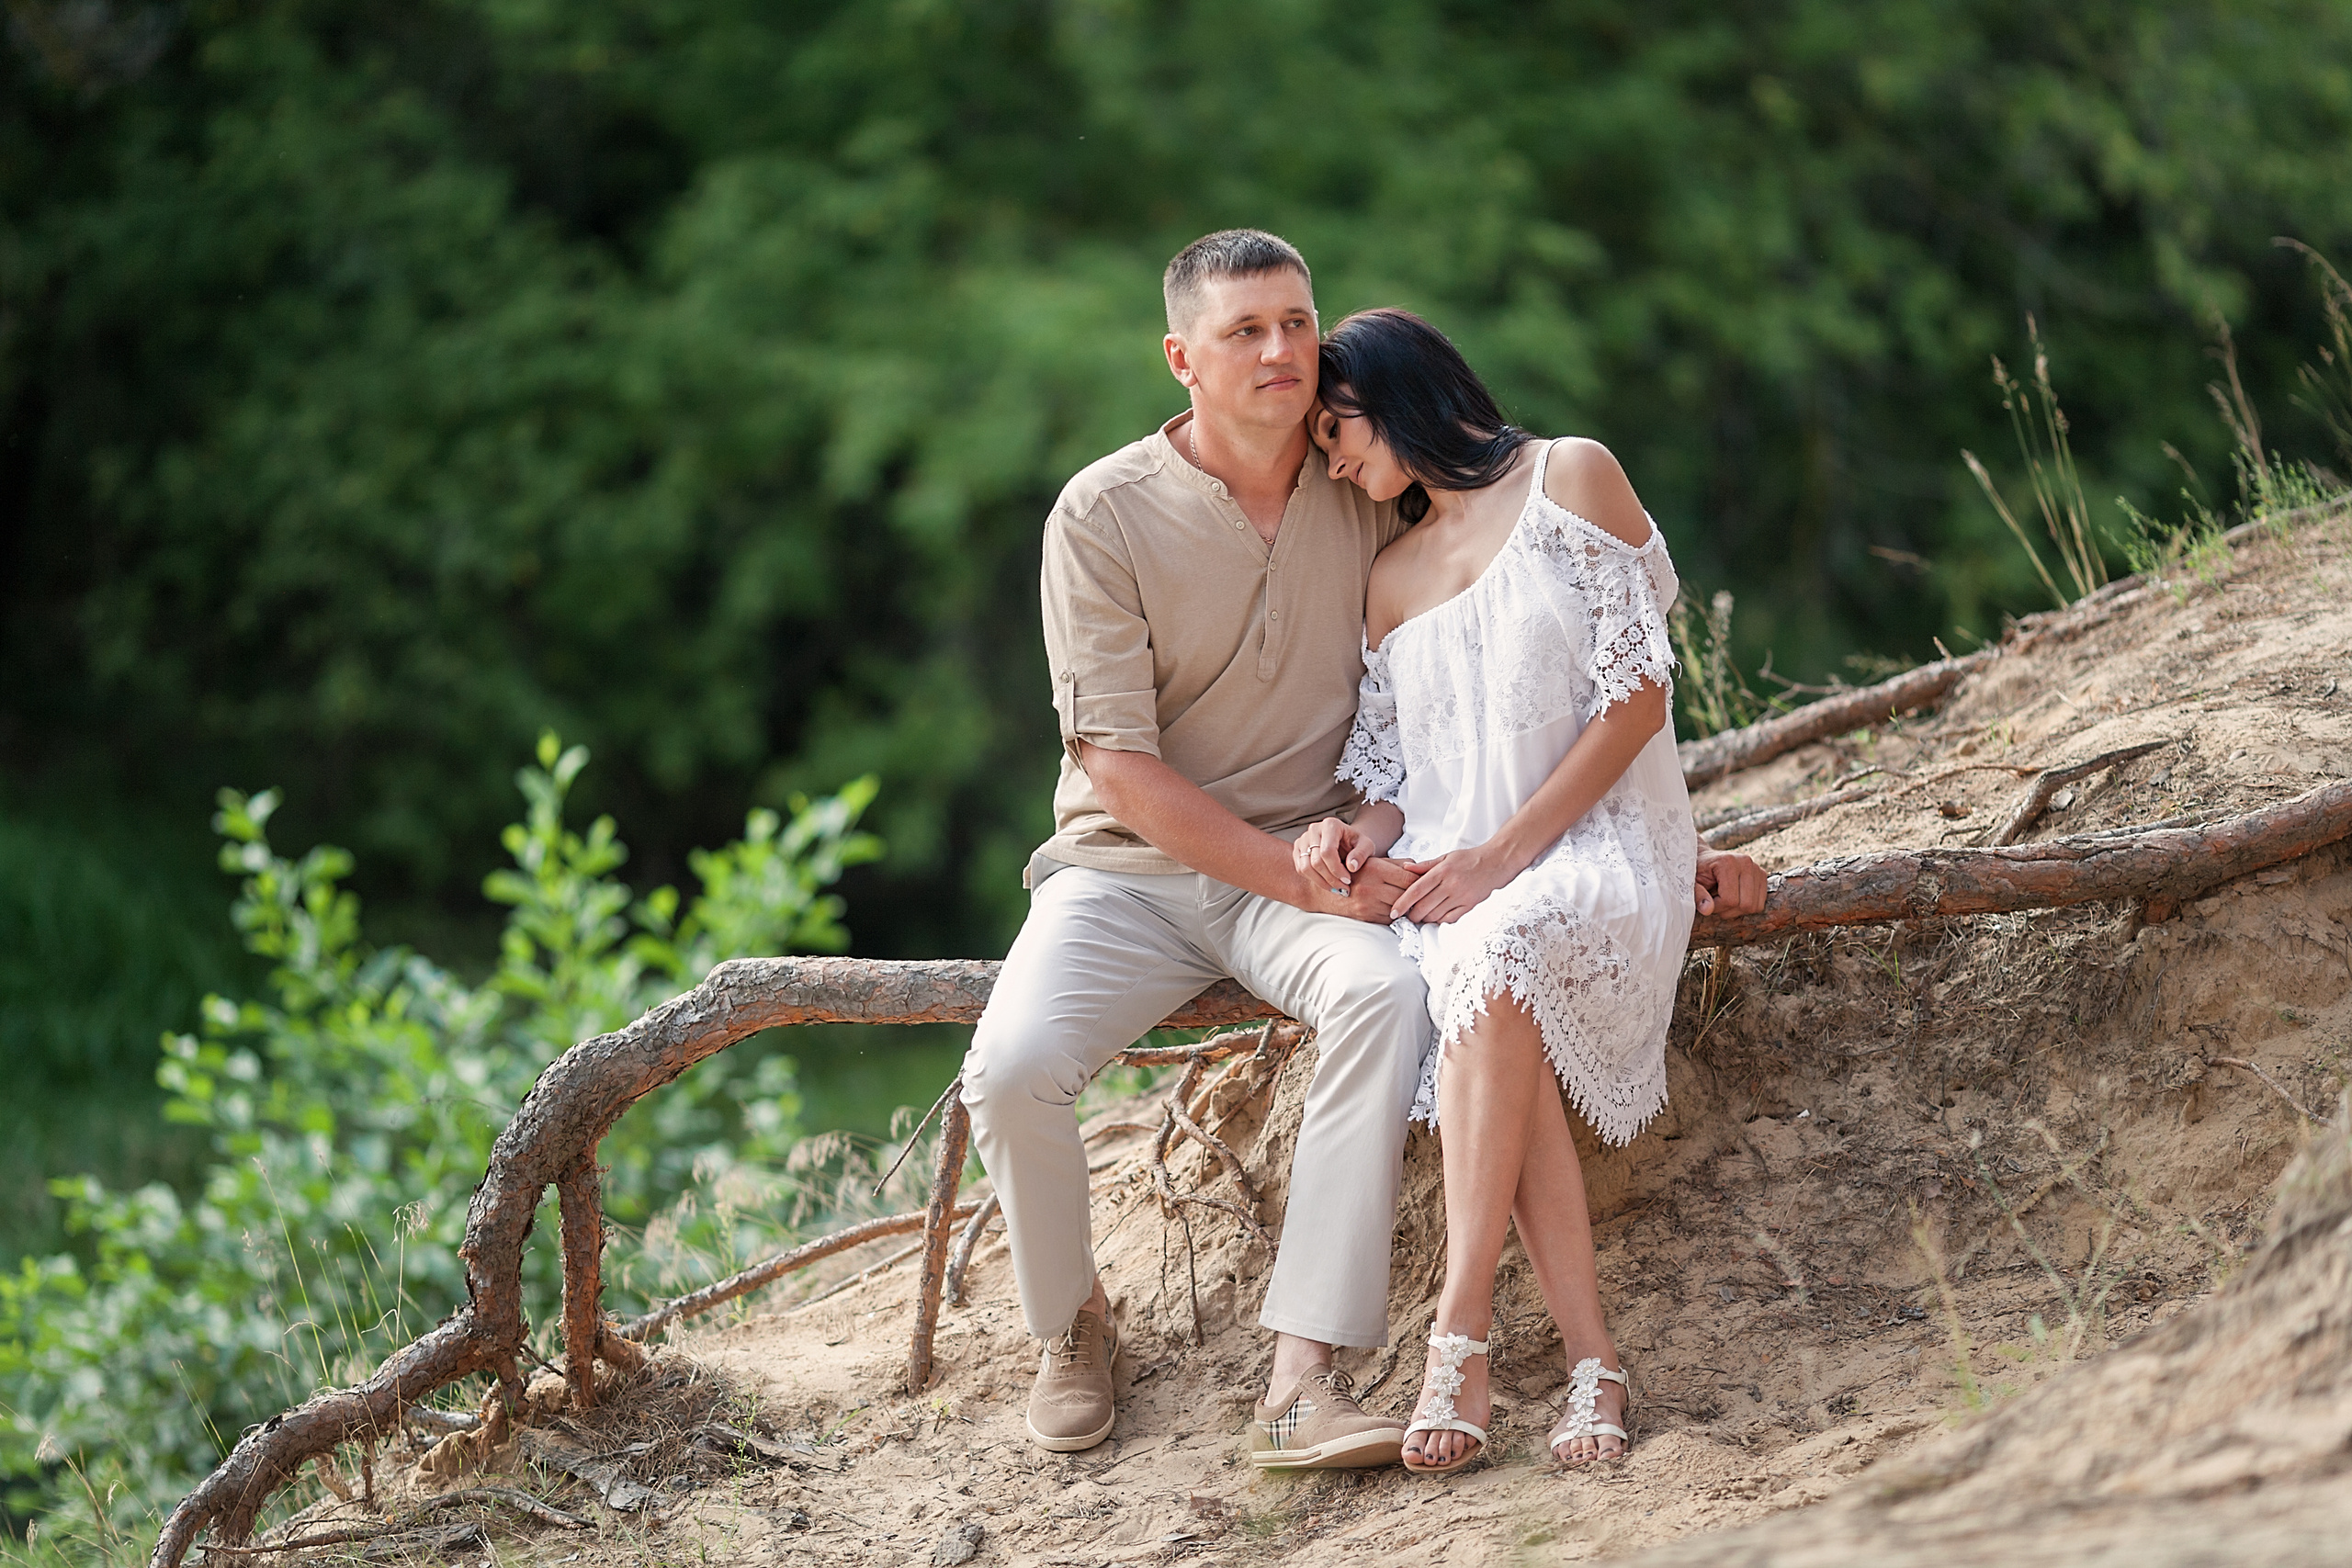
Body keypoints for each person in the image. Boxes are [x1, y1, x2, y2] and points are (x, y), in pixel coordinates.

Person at [959, 231, 1430, 1470]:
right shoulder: (1102, 513)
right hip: (1129, 873)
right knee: (1009, 1067)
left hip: (1313, 855)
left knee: (1385, 996)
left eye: (1297, 321)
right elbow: (1116, 765)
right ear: (1182, 358)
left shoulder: (1366, 473)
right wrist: (1294, 878)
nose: (1281, 350)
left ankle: (1301, 1380)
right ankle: (1072, 1323)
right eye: (1245, 330)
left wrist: (1349, 850)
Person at [1297, 307, 1767, 1473]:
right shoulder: (1388, 577)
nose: (1333, 461)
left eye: (1336, 430)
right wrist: (1350, 837)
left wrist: (1498, 858)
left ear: (1394, 396)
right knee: (1485, 967)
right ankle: (1592, 1365)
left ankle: (1455, 1336)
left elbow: (1637, 701)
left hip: (1598, 850)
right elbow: (1400, 783)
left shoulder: (1571, 478)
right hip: (1465, 880)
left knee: (1495, 942)